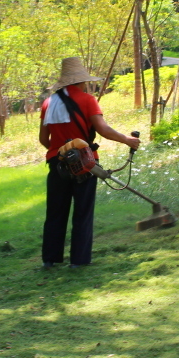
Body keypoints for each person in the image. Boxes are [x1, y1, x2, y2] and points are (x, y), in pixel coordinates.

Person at [40, 57, 140, 268]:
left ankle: (50, 259)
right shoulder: (87, 100)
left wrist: (62, 153)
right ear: (81, 81)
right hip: (84, 164)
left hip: (57, 164)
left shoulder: (48, 103)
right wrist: (127, 139)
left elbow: (43, 140)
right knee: (82, 212)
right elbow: (103, 130)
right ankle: (79, 261)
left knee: (55, 212)